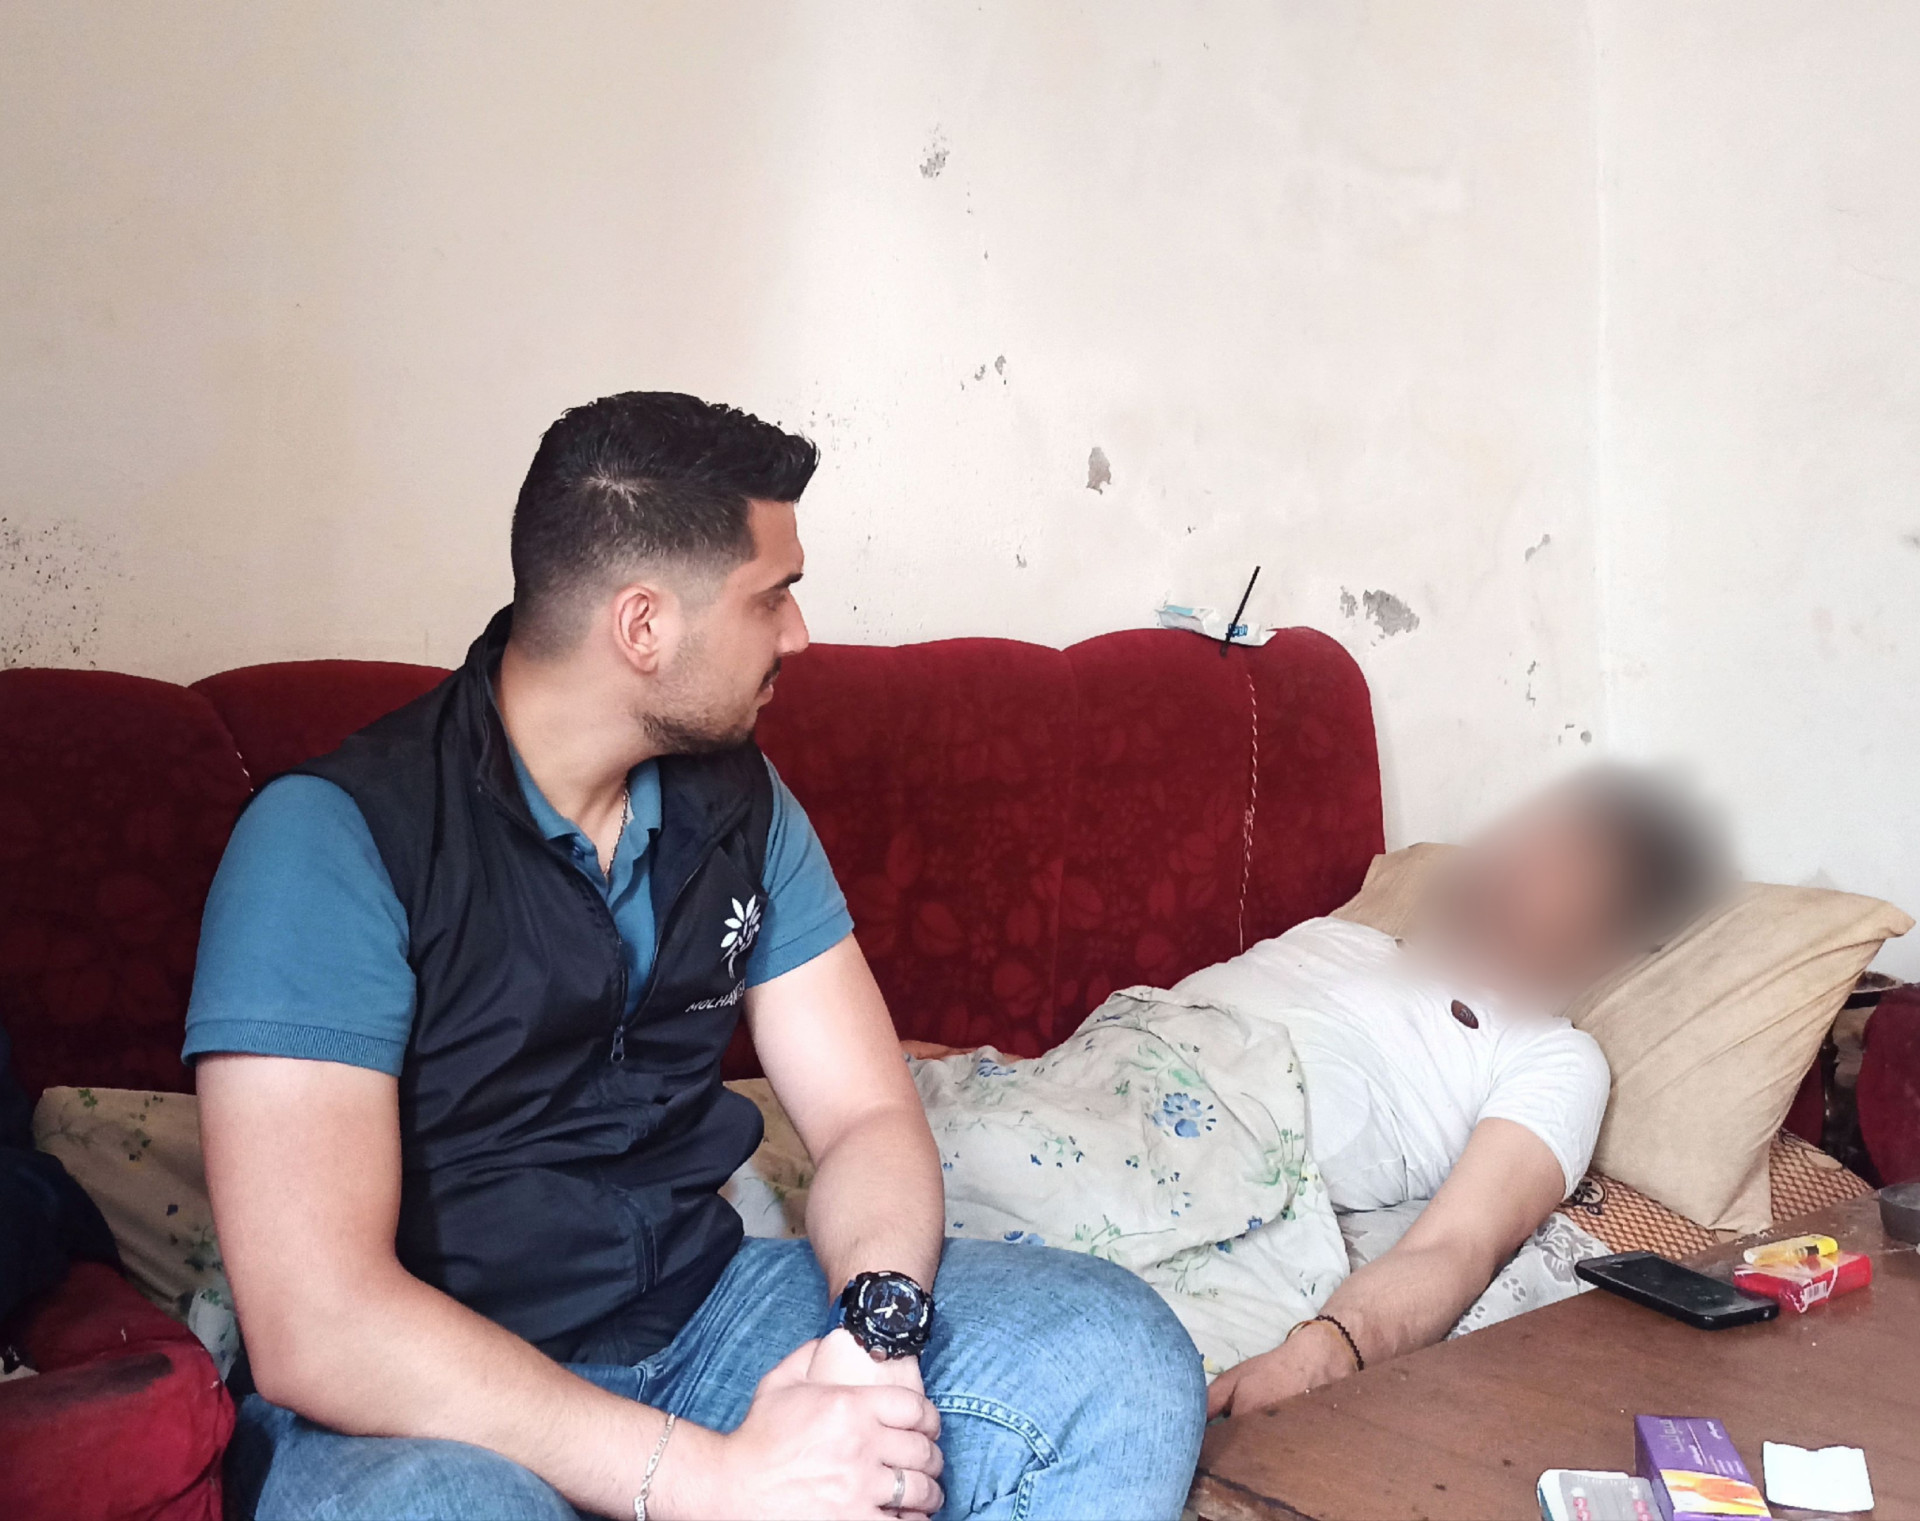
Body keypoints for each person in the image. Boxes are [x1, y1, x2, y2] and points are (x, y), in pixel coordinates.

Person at [186, 392, 1206, 1521]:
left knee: (1117, 1358)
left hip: (701, 1321)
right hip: (434, 1393)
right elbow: (320, 1321)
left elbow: (867, 1115)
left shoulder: (742, 804)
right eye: (772, 596)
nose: (799, 635)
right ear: (644, 627)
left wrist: (872, 1336)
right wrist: (711, 1479)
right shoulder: (331, 839)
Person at [896, 767, 1729, 1418]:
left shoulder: (1553, 1054)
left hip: (1225, 1127)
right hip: (1097, 1074)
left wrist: (1327, 1349)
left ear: (1609, 929)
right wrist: (959, 1064)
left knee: (941, 1241)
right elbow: (1092, 1072)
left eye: (1565, 864)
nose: (1517, 864)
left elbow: (1459, 1244)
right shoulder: (1344, 935)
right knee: (891, 1151)